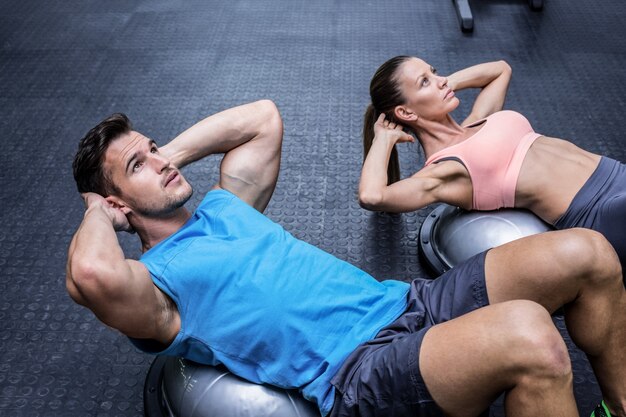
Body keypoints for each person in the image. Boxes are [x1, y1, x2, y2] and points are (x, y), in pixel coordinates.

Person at [66, 100, 626, 417]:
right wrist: (98, 207)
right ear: (116, 201)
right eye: (137, 166)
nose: (161, 162)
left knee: (588, 252)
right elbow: (90, 274)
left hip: (408, 303)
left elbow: (262, 117)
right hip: (355, 372)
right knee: (530, 336)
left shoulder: (224, 205)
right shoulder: (155, 285)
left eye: (154, 147)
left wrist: (159, 161)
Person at [359, 56, 626, 282]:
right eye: (424, 82)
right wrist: (382, 139)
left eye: (434, 71)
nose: (440, 79)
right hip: (597, 211)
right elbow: (373, 196)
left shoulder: (478, 120)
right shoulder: (446, 170)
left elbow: (500, 69)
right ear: (406, 113)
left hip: (615, 173)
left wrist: (444, 83)